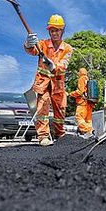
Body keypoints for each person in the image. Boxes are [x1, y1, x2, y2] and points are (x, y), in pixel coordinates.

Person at [24, 14, 73, 146]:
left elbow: (64, 64)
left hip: (58, 84)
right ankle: (43, 136)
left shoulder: (67, 48)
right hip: (43, 83)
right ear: (49, 31)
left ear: (62, 31)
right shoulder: (43, 44)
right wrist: (28, 44)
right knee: (42, 109)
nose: (54, 33)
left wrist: (54, 66)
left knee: (61, 109)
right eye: (52, 30)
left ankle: (59, 134)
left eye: (57, 30)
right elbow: (32, 50)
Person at [70, 68, 95, 139]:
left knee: (79, 117)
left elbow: (80, 91)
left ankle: (88, 130)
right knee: (88, 120)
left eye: (78, 72)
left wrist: (71, 94)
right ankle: (90, 134)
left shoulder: (82, 79)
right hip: (89, 103)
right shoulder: (88, 79)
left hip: (83, 102)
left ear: (80, 72)